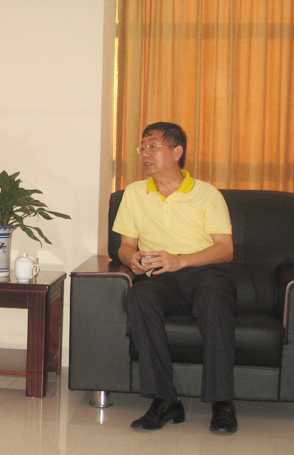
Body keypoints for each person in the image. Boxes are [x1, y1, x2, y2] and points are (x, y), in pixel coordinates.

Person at [113, 122, 238, 433]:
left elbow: (225, 249)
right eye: (142, 147)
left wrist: (180, 260)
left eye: (153, 146)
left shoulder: (206, 193)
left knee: (213, 298)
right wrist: (132, 259)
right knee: (139, 296)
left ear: (177, 151)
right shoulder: (134, 193)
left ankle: (222, 402)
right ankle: (165, 400)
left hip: (206, 272)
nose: (145, 153)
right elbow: (125, 246)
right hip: (161, 276)